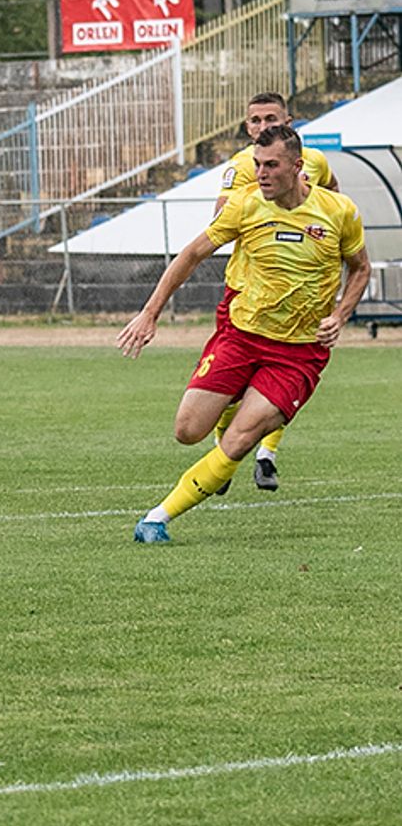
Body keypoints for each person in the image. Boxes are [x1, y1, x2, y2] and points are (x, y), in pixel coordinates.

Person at [116, 126, 370, 543]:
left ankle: (157, 518)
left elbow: (360, 268)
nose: (261, 173)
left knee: (238, 441)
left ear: (297, 166)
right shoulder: (245, 204)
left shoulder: (339, 212)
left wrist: (341, 315)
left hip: (298, 353)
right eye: (257, 164)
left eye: (271, 165)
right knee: (187, 430)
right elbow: (192, 254)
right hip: (241, 336)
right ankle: (236, 402)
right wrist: (150, 313)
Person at [209, 93, 341, 491]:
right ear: (246, 127)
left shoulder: (313, 161)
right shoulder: (241, 168)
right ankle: (223, 443)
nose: (263, 126)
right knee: (239, 385)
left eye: (271, 119)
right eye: (255, 120)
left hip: (303, 292)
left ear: (289, 121)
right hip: (247, 291)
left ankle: (266, 454)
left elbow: (334, 197)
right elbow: (218, 221)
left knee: (285, 377)